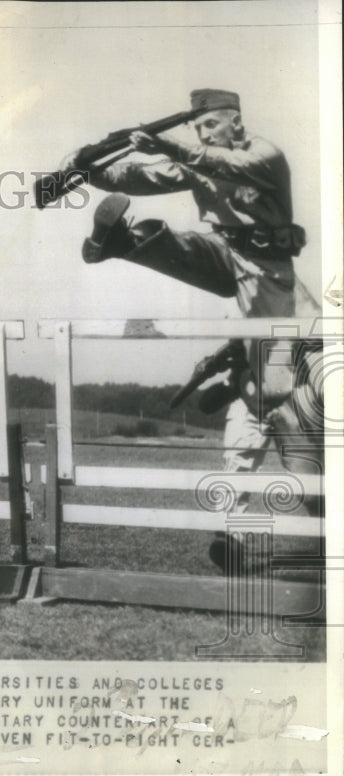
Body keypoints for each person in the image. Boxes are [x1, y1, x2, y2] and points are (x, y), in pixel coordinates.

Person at [66, 88, 316, 569]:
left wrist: (172, 146)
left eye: (206, 127)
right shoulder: (196, 159)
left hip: (272, 283)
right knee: (253, 412)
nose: (198, 136)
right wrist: (87, 167)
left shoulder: (265, 156)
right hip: (230, 268)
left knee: (273, 405)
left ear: (234, 124)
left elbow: (210, 162)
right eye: (197, 129)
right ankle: (122, 241)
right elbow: (139, 177)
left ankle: (311, 501)